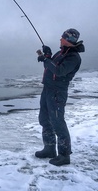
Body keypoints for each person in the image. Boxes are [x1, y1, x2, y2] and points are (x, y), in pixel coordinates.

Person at [35, 28, 85, 166]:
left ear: (68, 40)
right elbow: (53, 65)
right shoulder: (61, 52)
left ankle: (64, 155)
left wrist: (46, 60)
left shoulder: (73, 57)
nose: (60, 39)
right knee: (45, 119)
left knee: (57, 122)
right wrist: (48, 55)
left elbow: (59, 70)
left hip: (57, 92)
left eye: (62, 37)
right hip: (47, 89)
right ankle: (49, 148)